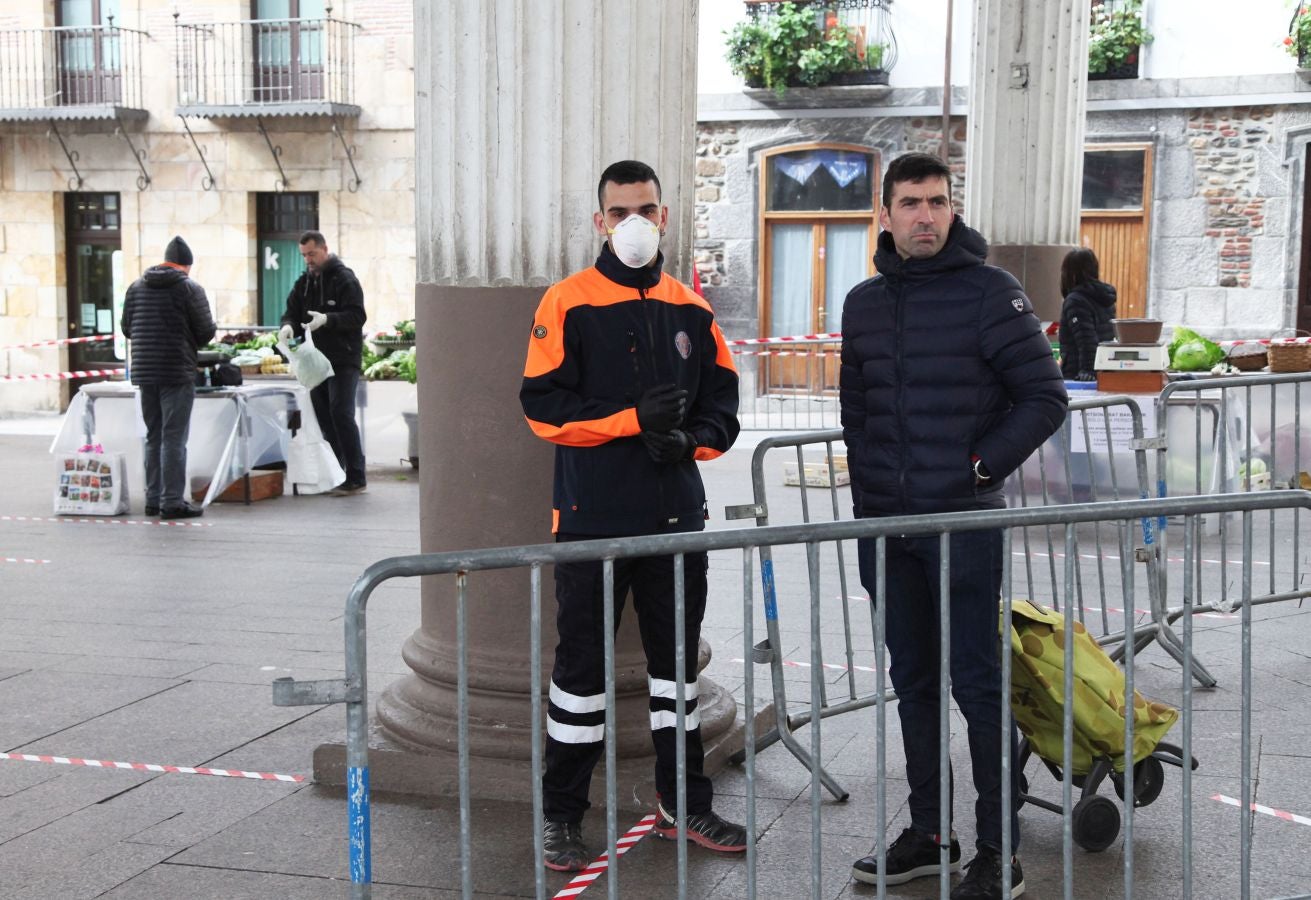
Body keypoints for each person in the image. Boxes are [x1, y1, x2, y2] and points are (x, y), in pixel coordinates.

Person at [839, 153, 1068, 899]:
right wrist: (869, 497)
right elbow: (856, 411)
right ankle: (928, 834)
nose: (925, 216)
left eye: (936, 201)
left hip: (962, 526)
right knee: (911, 683)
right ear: (884, 215)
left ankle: (998, 851)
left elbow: (1042, 396)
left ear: (952, 208)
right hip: (886, 528)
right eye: (909, 203)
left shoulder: (989, 293)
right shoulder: (863, 303)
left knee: (976, 685)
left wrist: (976, 470)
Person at [519, 160, 747, 872]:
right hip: (591, 519)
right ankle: (560, 816)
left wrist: (691, 440)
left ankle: (684, 800)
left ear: (666, 215)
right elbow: (542, 408)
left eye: (645, 209)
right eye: (619, 212)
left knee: (676, 674)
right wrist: (627, 420)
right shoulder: (566, 302)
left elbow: (724, 408)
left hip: (675, 518)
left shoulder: (691, 309)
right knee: (579, 675)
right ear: (599, 221)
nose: (634, 224)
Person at [121, 236, 216, 519]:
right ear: (186, 266)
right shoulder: (189, 288)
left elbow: (127, 328)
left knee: (153, 436)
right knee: (174, 437)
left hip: (144, 372)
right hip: (176, 371)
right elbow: (205, 333)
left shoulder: (136, 287)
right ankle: (172, 501)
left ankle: (153, 499)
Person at [279, 231, 368, 495]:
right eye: (304, 255)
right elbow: (291, 313)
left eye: (312, 254)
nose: (308, 260)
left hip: (343, 359)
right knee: (325, 417)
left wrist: (328, 319)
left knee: (341, 412)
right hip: (315, 362)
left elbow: (357, 315)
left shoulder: (345, 279)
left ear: (324, 249)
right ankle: (337, 473)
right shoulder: (304, 283)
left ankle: (356, 475)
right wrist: (286, 326)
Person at [1058, 247, 1117, 381]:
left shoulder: (1076, 300)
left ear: (1069, 273)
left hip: (1079, 375)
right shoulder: (1104, 297)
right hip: (1103, 370)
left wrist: (1087, 371)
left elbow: (1086, 339)